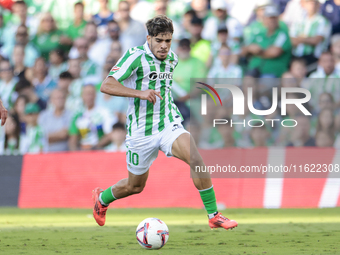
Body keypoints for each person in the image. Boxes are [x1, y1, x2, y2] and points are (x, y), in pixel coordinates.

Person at [92, 15, 238, 230]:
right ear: (149, 38)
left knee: (195, 158)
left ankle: (214, 215)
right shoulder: (135, 56)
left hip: (168, 123)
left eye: (168, 41)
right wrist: (139, 93)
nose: (164, 46)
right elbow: (107, 85)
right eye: (159, 40)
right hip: (141, 131)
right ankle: (102, 199)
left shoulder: (173, 59)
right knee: (135, 186)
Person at [242, 4, 292, 77]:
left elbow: (274, 52)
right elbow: (243, 50)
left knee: (265, 82)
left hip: (273, 72)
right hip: (255, 69)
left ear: (278, 19)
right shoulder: (259, 33)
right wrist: (249, 48)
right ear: (264, 19)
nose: (271, 20)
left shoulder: (282, 34)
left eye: (274, 18)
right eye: (269, 18)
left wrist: (257, 51)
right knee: (247, 79)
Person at [68, 84, 114, 151]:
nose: (89, 97)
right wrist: (75, 153)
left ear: (95, 95)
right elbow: (73, 138)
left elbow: (110, 135)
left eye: (91, 94)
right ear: (82, 96)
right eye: (86, 94)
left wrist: (94, 148)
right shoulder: (77, 115)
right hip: (82, 151)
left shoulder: (104, 112)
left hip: (99, 150)